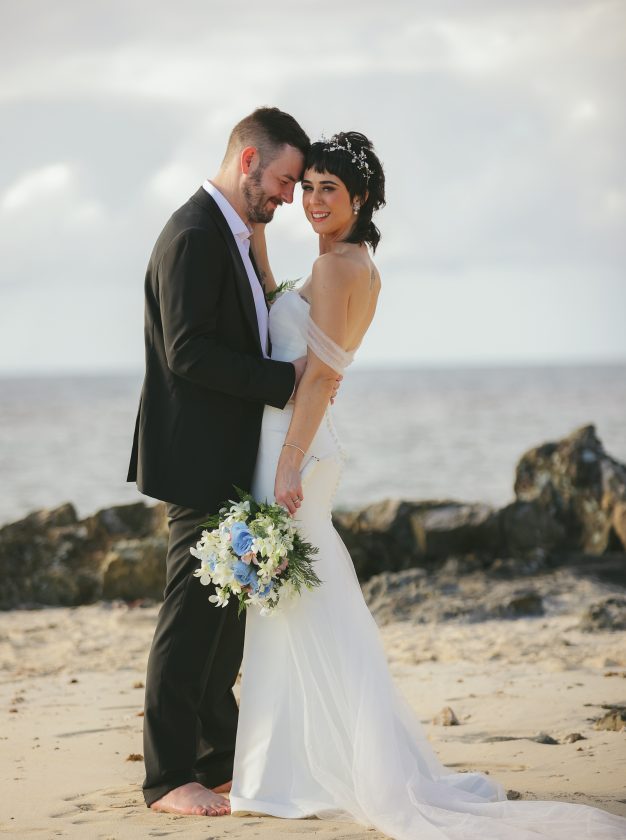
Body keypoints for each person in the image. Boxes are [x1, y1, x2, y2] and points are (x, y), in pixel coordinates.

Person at [227, 132, 626, 839]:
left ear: (363, 201)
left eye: (330, 190)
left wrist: (287, 461)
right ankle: (301, 762)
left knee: (302, 602)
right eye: (309, 186)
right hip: (304, 441)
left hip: (296, 448)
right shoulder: (347, 263)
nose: (314, 201)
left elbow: (320, 378)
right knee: (305, 601)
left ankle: (302, 768)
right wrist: (256, 232)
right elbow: (310, 350)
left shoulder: (337, 270)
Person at [127, 107, 342, 817]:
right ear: (248, 160)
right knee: (190, 618)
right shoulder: (193, 234)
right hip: (194, 456)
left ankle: (218, 762)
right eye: (284, 180)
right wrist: (287, 381)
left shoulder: (236, 235)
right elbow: (187, 353)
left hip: (225, 455)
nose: (288, 197)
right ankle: (166, 780)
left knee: (223, 615)